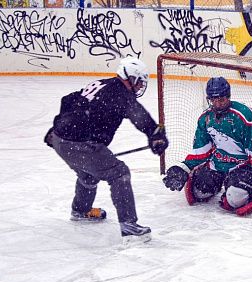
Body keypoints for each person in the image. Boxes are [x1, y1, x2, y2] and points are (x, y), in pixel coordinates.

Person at [44, 56, 168, 244]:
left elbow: (68, 100)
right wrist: (156, 134)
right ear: (131, 78)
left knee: (89, 173)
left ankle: (81, 210)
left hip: (60, 141)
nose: (142, 86)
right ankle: (129, 226)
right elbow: (138, 114)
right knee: (119, 173)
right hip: (80, 143)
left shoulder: (102, 83)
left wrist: (59, 128)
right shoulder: (120, 93)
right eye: (140, 81)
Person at [162, 77, 252, 215]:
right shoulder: (205, 118)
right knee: (199, 193)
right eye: (213, 100)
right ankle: (218, 181)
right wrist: (184, 167)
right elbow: (201, 150)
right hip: (218, 164)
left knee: (236, 199)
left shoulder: (244, 114)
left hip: (241, 167)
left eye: (221, 100)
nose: (217, 104)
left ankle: (249, 187)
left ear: (228, 97)